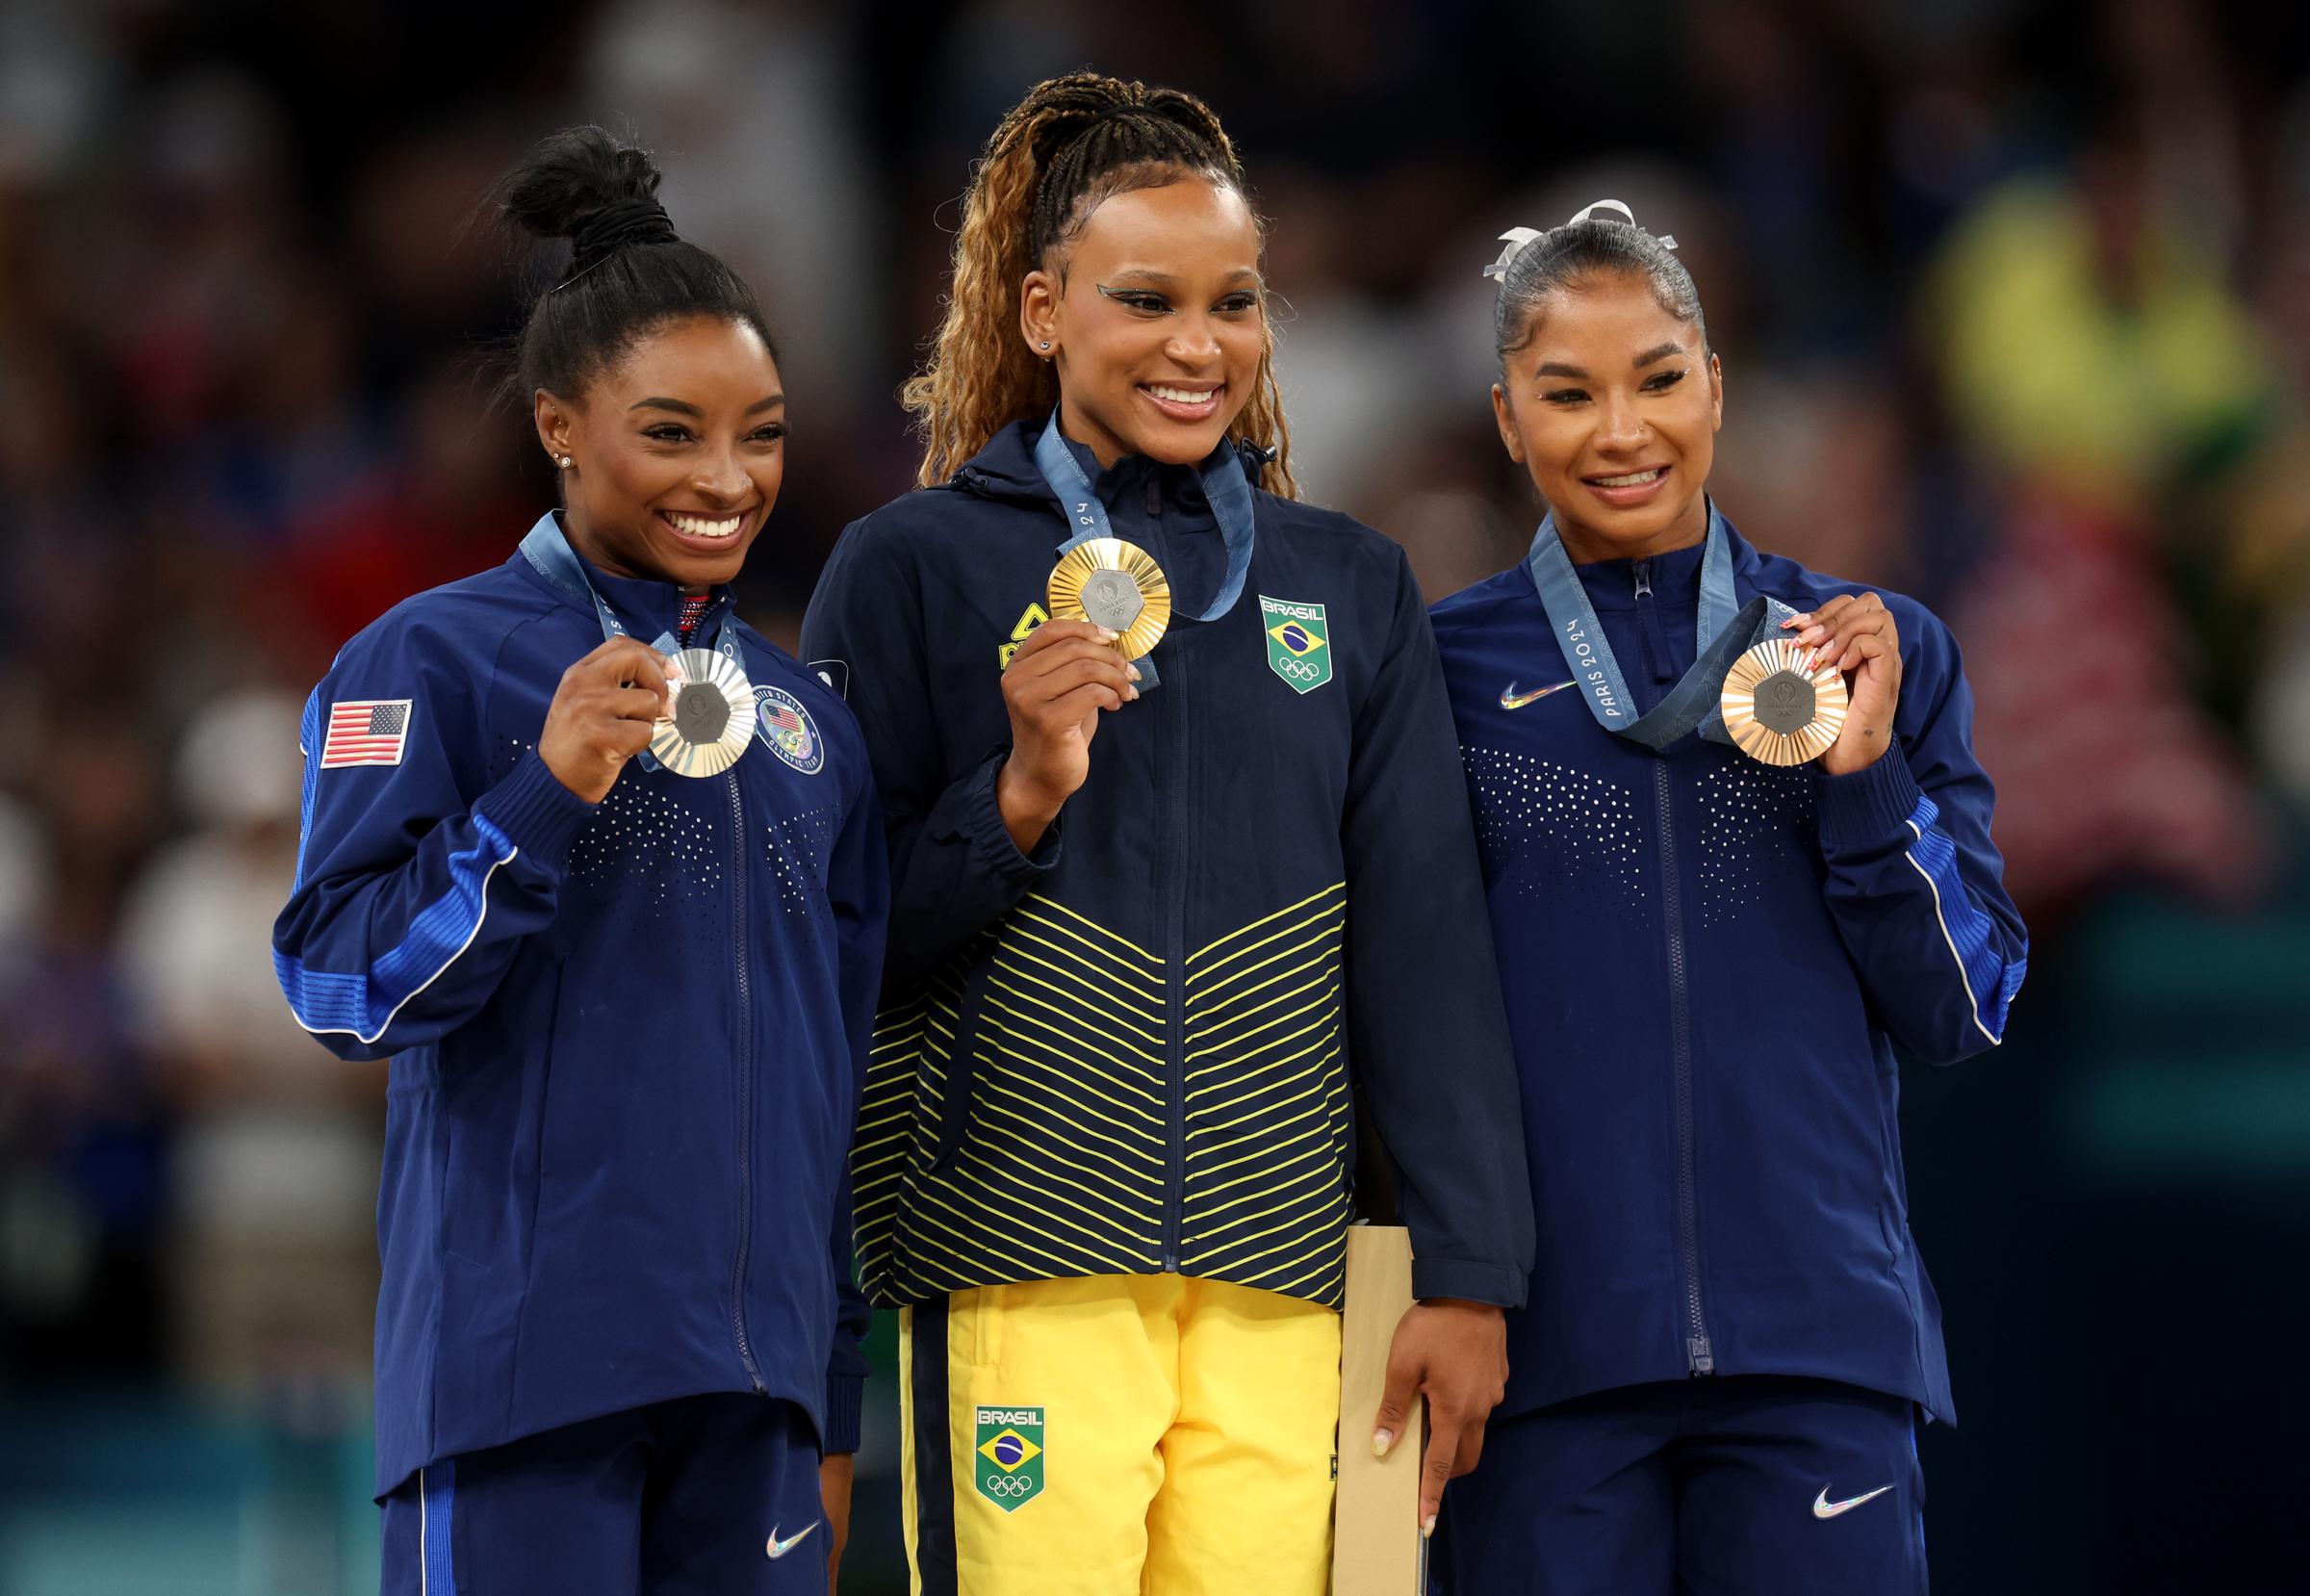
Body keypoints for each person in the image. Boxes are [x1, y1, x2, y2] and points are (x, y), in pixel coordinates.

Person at [800, 72, 1532, 1596]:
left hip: (1280, 1270)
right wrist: (1011, 799)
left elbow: (1425, 946)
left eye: (1235, 302)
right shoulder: (912, 568)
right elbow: (830, 945)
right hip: (1016, 1251)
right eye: (1146, 300)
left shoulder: (1349, 586)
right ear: (1045, 309)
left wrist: (1467, 1270)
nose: (1200, 345)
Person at [270, 127, 885, 1596]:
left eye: (764, 433)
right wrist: (540, 795)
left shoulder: (808, 726)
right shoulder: (431, 659)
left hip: (759, 1404)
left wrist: (834, 1395)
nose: (728, 479)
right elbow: (335, 982)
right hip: (522, 1378)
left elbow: (839, 1077)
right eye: (671, 431)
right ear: (558, 425)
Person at [1426, 203, 2031, 1596]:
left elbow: (1965, 1004)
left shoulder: (1865, 651)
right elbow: (1401, 1005)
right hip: (1545, 1363)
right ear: (1508, 422)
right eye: (1567, 393)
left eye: (1656, 377)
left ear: (1717, 385)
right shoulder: (1440, 673)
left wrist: (1864, 781)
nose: (1620, 430)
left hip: (1816, 1344)